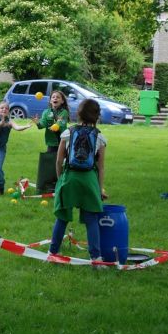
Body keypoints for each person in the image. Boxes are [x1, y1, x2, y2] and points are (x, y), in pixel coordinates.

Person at [47, 99, 108, 264]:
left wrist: (60, 180)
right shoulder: (100, 137)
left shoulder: (68, 133)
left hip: (70, 177)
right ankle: (96, 258)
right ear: (97, 116)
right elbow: (101, 168)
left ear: (78, 114)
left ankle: (52, 253)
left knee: (62, 218)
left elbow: (58, 161)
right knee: (91, 219)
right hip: (89, 180)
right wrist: (100, 189)